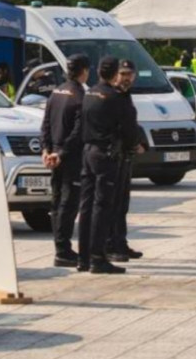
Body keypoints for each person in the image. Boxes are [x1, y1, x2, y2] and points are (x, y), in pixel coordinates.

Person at [77, 57, 139, 274]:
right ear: (115, 74)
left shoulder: (89, 93)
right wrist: (134, 145)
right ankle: (97, 258)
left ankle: (83, 257)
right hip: (106, 155)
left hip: (88, 152)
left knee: (86, 206)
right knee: (102, 208)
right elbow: (130, 129)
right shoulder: (116, 97)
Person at [40, 54, 89, 267]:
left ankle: (60, 247)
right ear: (84, 71)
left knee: (57, 203)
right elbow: (78, 132)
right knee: (68, 204)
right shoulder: (80, 96)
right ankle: (63, 250)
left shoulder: (56, 93)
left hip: (54, 156)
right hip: (69, 159)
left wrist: (46, 149)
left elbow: (46, 124)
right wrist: (60, 153)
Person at [106, 60, 146, 263]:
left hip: (125, 155)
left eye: (130, 74)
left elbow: (132, 123)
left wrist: (142, 142)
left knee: (122, 204)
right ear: (115, 75)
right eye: (123, 74)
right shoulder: (112, 96)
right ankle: (110, 245)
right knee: (112, 204)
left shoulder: (125, 95)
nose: (126, 78)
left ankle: (120, 242)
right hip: (113, 155)